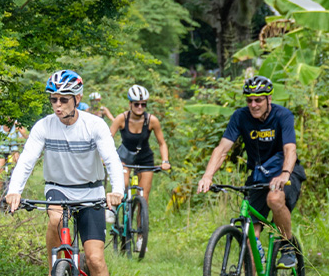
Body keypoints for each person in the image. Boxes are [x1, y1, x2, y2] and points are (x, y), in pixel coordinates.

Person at [5, 70, 124, 276]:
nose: (57, 105)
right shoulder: (44, 126)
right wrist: (14, 190)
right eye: (53, 99)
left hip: (92, 192)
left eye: (63, 99)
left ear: (77, 99)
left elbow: (112, 160)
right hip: (58, 188)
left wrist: (117, 190)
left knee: (95, 259)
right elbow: (27, 160)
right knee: (56, 218)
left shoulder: (95, 126)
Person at [196, 75, 304, 266]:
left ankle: (287, 246)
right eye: (249, 100)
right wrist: (207, 176)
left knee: (274, 198)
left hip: (285, 172)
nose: (253, 105)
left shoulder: (282, 115)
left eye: (258, 100)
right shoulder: (240, 116)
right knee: (249, 239)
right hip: (259, 175)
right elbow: (222, 149)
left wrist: (284, 174)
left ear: (269, 99)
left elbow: (290, 149)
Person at [109, 84, 170, 201]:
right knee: (123, 184)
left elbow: (162, 143)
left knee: (143, 195)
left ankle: (141, 217)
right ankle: (114, 211)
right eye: (136, 104)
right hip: (124, 157)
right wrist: (107, 158)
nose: (140, 107)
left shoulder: (152, 120)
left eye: (143, 104)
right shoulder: (121, 119)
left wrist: (165, 161)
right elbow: (108, 139)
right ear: (130, 104)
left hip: (144, 158)